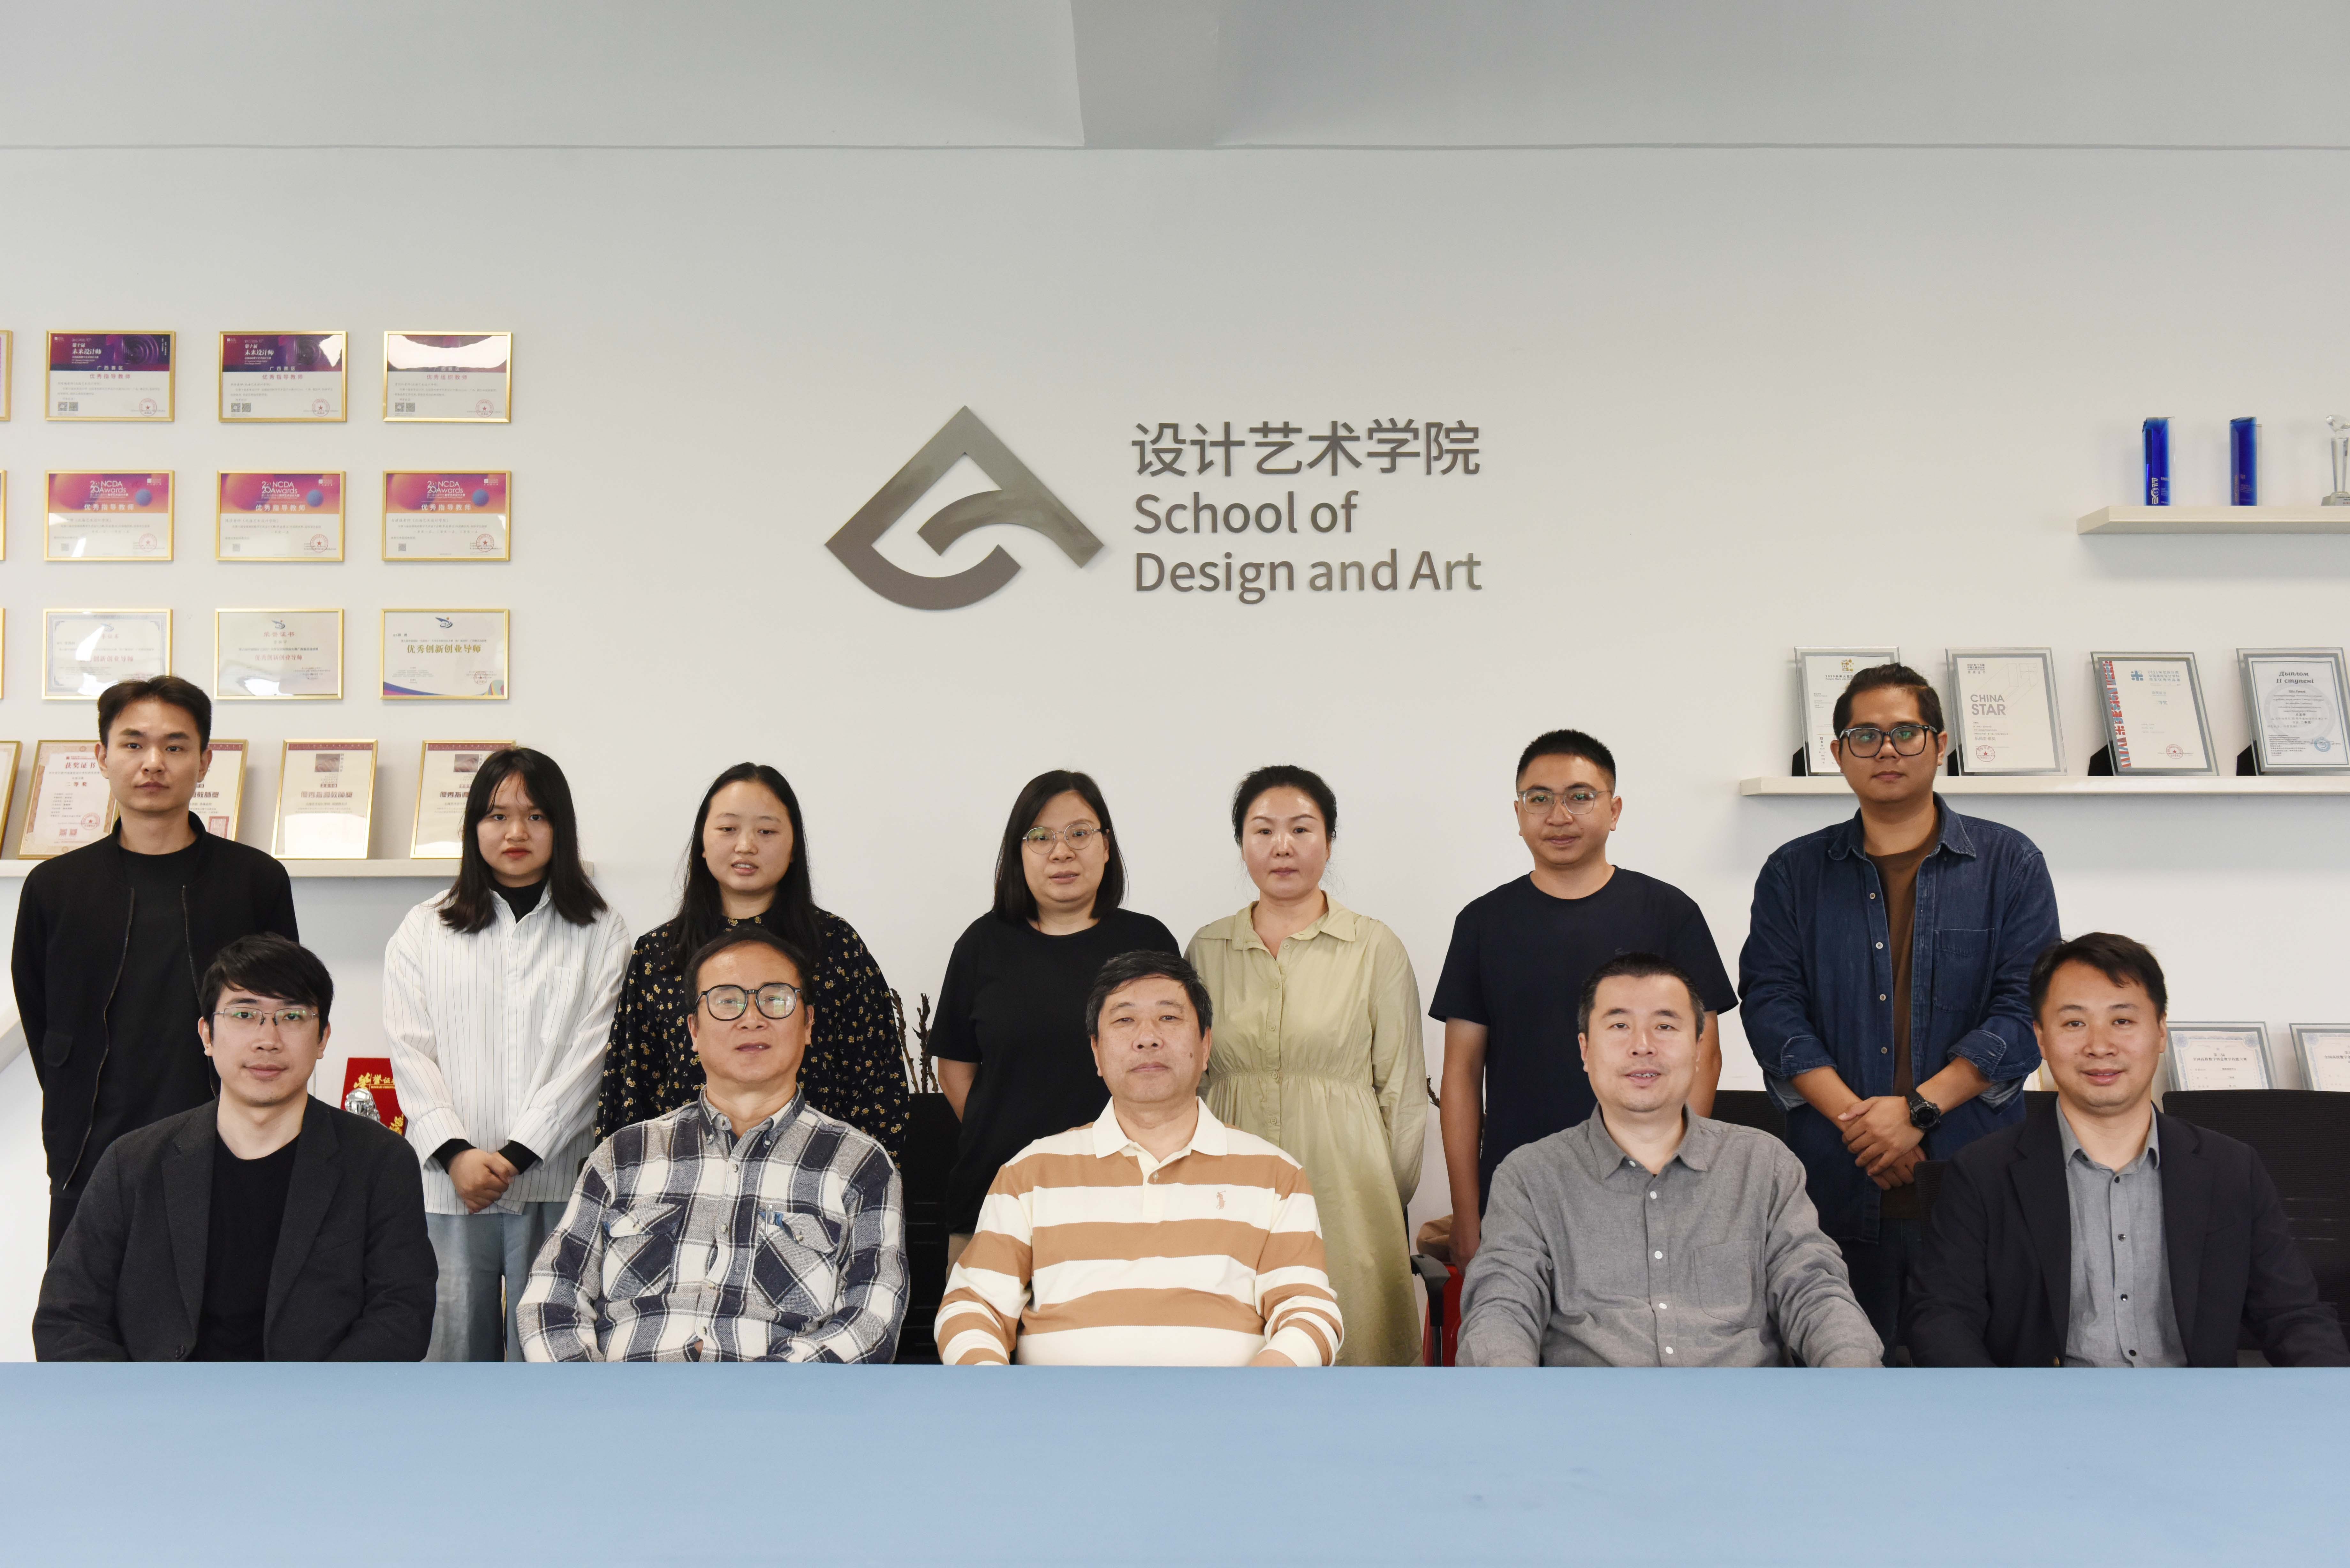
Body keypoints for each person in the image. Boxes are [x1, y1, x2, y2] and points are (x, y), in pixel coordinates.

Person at [1740, 663, 2060, 1362]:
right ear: (1837, 753)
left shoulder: (2009, 863)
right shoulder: (1793, 872)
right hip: (1831, 1185)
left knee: (1979, 1395)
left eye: (1905, 732)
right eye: (1865, 735)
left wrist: (1916, 1111)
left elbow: (2026, 1010)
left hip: (1975, 1182)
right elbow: (1770, 1007)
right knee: (1838, 1396)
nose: (1886, 749)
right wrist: (1863, 1126)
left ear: (1939, 743)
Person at [1908, 933, 2349, 1368]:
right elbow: (1943, 1318)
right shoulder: (1983, 1172)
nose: (2100, 1046)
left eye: (2122, 1021)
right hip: (2046, 1409)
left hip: (2196, 1407)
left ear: (2160, 1031)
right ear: (2040, 1039)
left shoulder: (2231, 1168)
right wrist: (1999, 1409)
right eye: (2074, 1023)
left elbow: (2293, 1316)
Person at [1458, 954, 1878, 1368]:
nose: (1643, 1046)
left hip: (1740, 1407)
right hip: (1592, 1409)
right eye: (1619, 1026)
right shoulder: (1530, 1177)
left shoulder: (1764, 1164)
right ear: (1585, 1050)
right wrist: (1508, 1392)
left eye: (1664, 1026)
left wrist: (1854, 1373)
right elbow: (1502, 1306)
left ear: (1698, 1049)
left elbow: (1814, 1291)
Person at [35, 935, 436, 1361]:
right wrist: (139, 1398)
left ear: (323, 1038)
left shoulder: (380, 1161)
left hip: (316, 1398)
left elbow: (402, 1314)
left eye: (293, 1016)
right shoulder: (131, 1163)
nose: (268, 1039)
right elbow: (68, 1317)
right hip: (161, 1399)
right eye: (245, 1014)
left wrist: (315, 1397)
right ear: (207, 1034)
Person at [936, 950, 1342, 1366]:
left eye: (1169, 1017)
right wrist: (995, 1390)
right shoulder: (1031, 1171)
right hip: (1061, 1406)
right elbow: (972, 1307)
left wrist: (1253, 1393)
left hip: (1228, 1405)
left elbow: (1309, 1311)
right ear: (1096, 1052)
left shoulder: (1275, 1173)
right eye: (1124, 1020)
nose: (1147, 1038)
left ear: (1205, 1047)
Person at [519, 925, 906, 1361]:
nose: (752, 1018)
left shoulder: (860, 1164)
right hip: (626, 1395)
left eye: (775, 999)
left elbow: (872, 1317)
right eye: (727, 1001)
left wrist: (770, 1390)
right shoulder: (623, 1155)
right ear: (694, 1030)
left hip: (782, 1398)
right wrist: (594, 1395)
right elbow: (551, 1297)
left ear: (808, 1025)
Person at [11, 675, 299, 1255]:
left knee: (226, 1302)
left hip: (228, 1146)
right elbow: (42, 1018)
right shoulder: (55, 887)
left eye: (174, 746)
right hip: (89, 1151)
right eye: (133, 744)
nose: (153, 763)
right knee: (86, 1305)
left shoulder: (255, 881)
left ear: (205, 761)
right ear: (102, 757)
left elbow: (283, 1013)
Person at [1433, 729, 1738, 1267]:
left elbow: (1703, 1055)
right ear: (1519, 813)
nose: (1559, 815)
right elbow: (1460, 1073)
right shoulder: (1483, 923)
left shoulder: (1669, 913)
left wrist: (1675, 1178)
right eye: (1539, 798)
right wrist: (1466, 1212)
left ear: (1614, 810)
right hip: (1517, 1189)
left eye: (1580, 796)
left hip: (1642, 1182)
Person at [384, 748, 630, 1361]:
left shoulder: (602, 930)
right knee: (448, 1367)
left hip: (556, 1190)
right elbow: (410, 1051)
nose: (516, 831)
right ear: (474, 827)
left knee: (549, 1363)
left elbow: (594, 1057)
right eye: (497, 815)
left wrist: (519, 1154)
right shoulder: (423, 928)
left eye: (536, 816)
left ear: (561, 827)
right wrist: (456, 1153)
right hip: (448, 1191)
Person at [1186, 765, 1427, 1366]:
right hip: (1228, 1190)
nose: (1283, 846)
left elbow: (1402, 1092)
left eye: (1301, 829)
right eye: (1263, 830)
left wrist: (1376, 1194)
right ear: (1242, 843)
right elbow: (1194, 1083)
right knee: (1238, 1351)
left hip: (1348, 1191)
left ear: (1329, 840)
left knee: (1354, 1351)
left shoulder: (1374, 947)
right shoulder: (1207, 949)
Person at [931, 770, 1179, 1266]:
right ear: (1018, 853)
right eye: (1041, 837)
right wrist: (1003, 1133)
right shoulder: (983, 944)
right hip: (997, 1197)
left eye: (1079, 833)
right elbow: (955, 1068)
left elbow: (1176, 1062)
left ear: (1106, 847)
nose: (1061, 852)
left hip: (1127, 1201)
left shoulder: (1147, 943)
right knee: (984, 1319)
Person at [595, 762, 906, 1157]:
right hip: (682, 1172)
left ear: (793, 848)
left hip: (815, 1172)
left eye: (767, 831)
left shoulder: (836, 946)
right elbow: (629, 1090)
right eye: (728, 829)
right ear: (702, 843)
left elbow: (879, 1085)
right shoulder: (659, 953)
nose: (746, 846)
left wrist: (862, 1175)